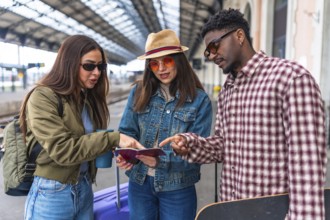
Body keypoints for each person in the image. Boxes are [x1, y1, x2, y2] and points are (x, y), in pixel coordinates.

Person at [160, 8, 328, 220]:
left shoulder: (290, 79)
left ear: (239, 36)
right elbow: (222, 146)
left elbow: (307, 164)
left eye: (214, 46)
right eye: (207, 52)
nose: (211, 55)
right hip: (233, 208)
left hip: (273, 211)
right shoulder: (228, 90)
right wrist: (189, 143)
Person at [21, 35, 143, 220]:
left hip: (84, 187)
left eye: (100, 66)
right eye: (89, 66)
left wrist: (120, 152)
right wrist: (113, 138)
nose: (97, 72)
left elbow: (90, 141)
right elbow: (62, 149)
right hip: (52, 192)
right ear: (69, 63)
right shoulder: (43, 97)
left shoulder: (86, 98)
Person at [116, 29, 213, 220]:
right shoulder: (138, 92)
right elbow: (126, 132)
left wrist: (161, 160)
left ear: (179, 60)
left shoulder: (199, 100)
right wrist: (127, 155)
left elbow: (200, 151)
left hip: (177, 188)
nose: (161, 68)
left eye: (167, 61)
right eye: (154, 63)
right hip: (139, 184)